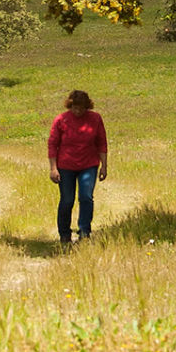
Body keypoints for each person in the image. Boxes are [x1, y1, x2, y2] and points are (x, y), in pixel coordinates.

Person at [47, 89, 107, 243]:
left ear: (87, 107)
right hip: (66, 166)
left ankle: (84, 232)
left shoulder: (95, 119)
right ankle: (64, 234)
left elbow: (101, 142)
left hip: (89, 165)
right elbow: (53, 144)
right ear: (70, 106)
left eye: (81, 108)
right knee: (67, 200)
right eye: (75, 108)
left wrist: (104, 166)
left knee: (86, 197)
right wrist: (53, 168)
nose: (78, 111)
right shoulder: (61, 120)